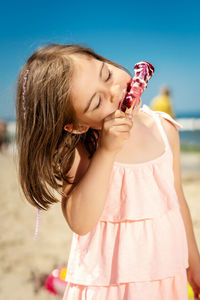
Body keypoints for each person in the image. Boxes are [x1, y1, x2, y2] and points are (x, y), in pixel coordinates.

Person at [16, 44, 200, 300]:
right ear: (78, 126)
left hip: (164, 278)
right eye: (97, 101)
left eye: (107, 74)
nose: (115, 90)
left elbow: (177, 200)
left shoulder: (165, 130)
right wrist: (106, 151)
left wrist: (194, 262)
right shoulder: (83, 151)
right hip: (107, 287)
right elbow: (80, 223)